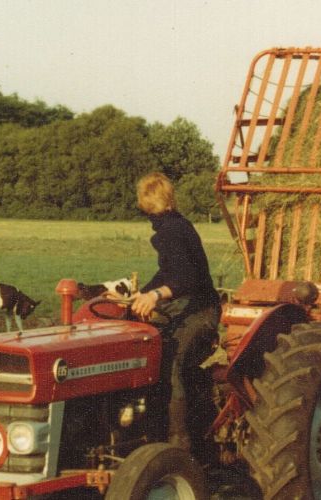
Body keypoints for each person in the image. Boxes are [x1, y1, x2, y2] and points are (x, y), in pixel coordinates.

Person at [130, 172, 221, 461]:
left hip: (201, 309)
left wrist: (155, 296)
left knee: (171, 361)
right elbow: (168, 273)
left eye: (150, 203)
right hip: (181, 304)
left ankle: (178, 447)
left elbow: (189, 278)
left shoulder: (173, 231)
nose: (148, 210)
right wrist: (140, 293)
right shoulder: (172, 226)